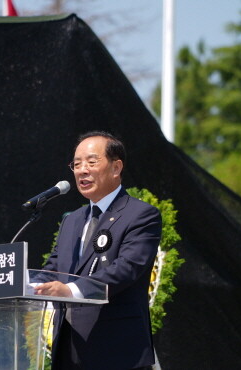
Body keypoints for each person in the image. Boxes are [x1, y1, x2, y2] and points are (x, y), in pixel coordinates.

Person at [34, 131, 162, 370]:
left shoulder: (141, 215)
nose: (82, 170)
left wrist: (70, 290)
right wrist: (26, 285)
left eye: (91, 162)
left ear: (116, 167)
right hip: (69, 350)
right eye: (77, 164)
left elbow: (127, 268)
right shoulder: (72, 220)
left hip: (117, 350)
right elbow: (54, 268)